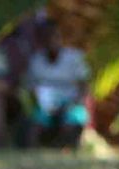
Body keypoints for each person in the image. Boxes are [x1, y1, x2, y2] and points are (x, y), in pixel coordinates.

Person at [24, 20, 89, 149]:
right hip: (44, 106)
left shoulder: (75, 58)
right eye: (46, 37)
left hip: (71, 103)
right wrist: (42, 104)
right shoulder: (36, 61)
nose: (51, 41)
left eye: (54, 36)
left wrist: (74, 102)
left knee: (71, 122)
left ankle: (69, 150)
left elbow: (84, 85)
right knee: (33, 128)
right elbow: (30, 89)